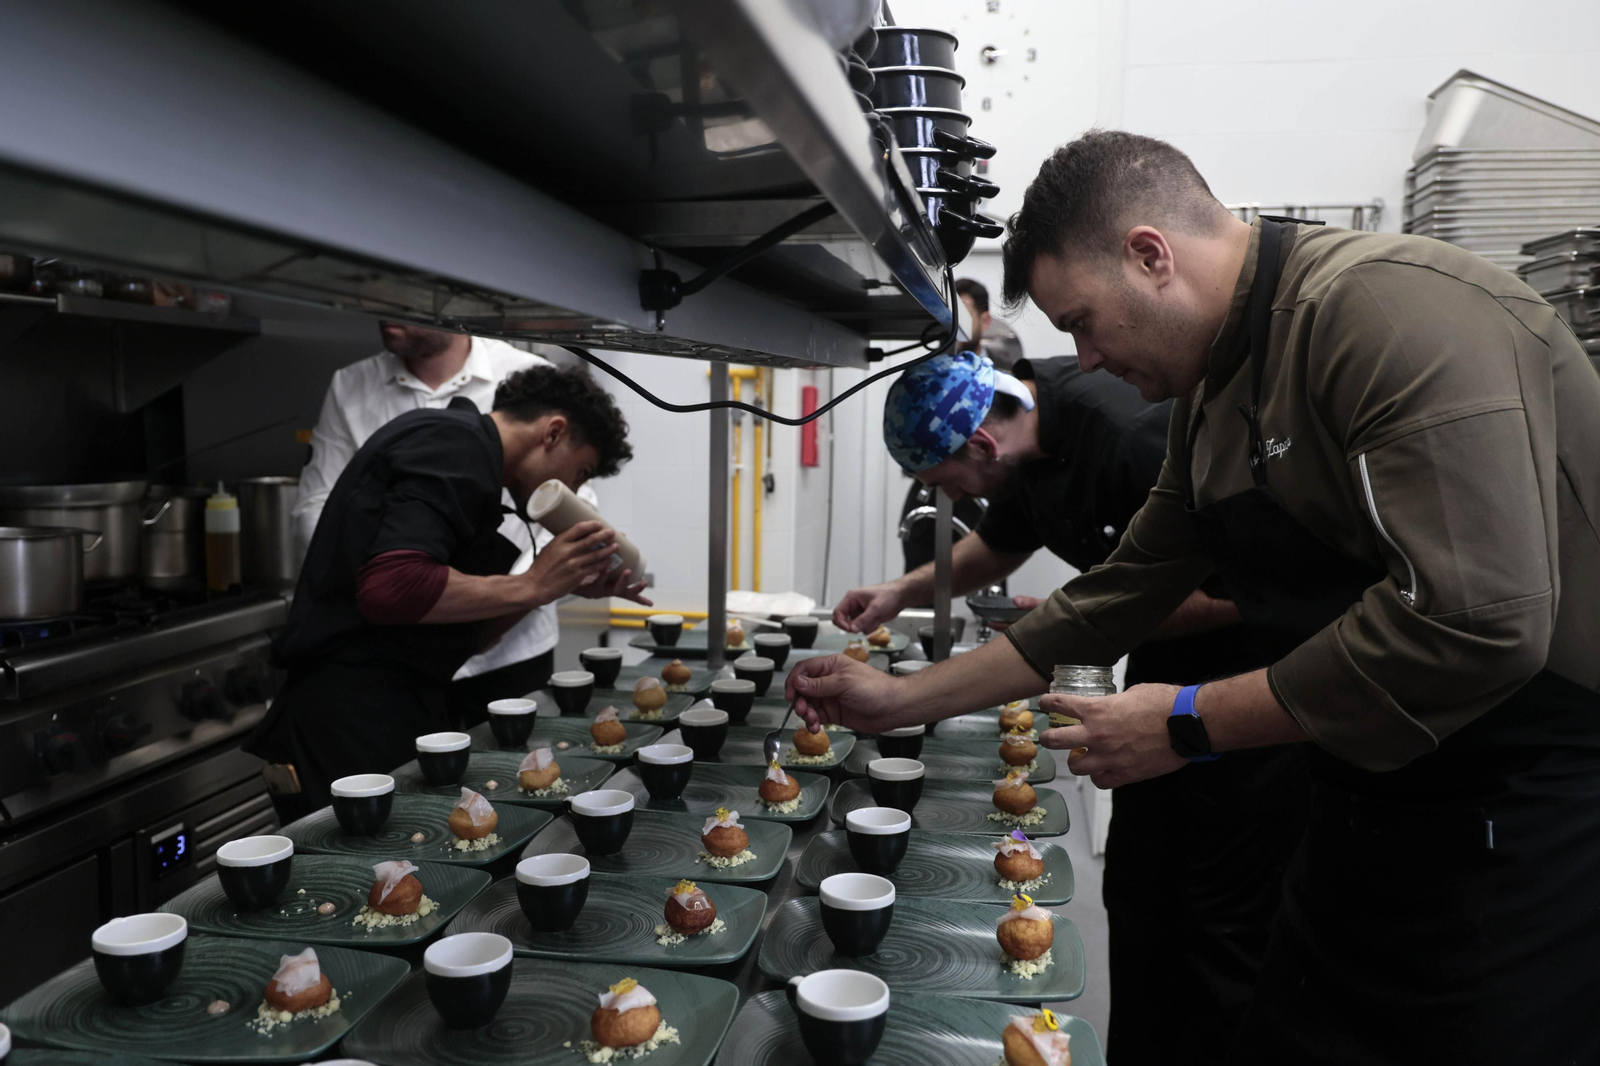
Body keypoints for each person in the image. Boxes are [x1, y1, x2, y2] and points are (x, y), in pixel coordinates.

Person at [787, 130, 1600, 1064]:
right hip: (1364, 786)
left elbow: (1475, 619)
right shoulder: (1215, 394)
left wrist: (1184, 721)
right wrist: (900, 701)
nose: (1082, 360)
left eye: (1085, 320)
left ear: (1150, 255)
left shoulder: (1386, 314)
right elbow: (1119, 593)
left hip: (1526, 799)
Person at [837, 349, 1302, 1064]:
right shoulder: (1027, 445)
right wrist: (899, 592)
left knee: (1219, 927)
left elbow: (1242, 597)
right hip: (1151, 693)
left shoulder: (1133, 440)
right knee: (1142, 899)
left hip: (1241, 711)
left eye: (947, 483)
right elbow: (994, 549)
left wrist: (1078, 616)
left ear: (982, 444)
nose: (953, 500)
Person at [250, 364, 649, 816]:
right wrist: (532, 582)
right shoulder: (454, 445)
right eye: (581, 472)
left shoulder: (473, 463)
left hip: (393, 710)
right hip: (342, 722)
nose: (574, 489)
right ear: (553, 432)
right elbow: (391, 588)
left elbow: (466, 633)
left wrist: (551, 587)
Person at [293, 322, 595, 728]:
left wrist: (525, 590)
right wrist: (395, 592)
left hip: (505, 656)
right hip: (391, 661)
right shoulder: (352, 384)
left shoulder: (527, 378)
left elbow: (564, 507)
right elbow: (320, 509)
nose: (386, 310)